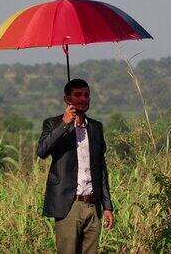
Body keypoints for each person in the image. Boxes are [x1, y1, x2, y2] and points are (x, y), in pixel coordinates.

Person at [37, 78, 114, 253]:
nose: (83, 99)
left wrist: (107, 206)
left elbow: (101, 168)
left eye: (87, 95)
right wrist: (65, 123)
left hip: (92, 206)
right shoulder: (53, 124)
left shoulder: (95, 127)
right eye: (78, 95)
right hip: (68, 205)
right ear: (67, 99)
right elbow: (42, 151)